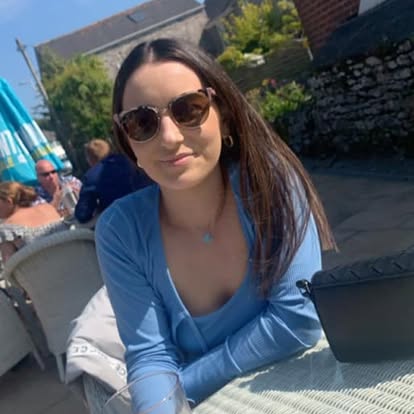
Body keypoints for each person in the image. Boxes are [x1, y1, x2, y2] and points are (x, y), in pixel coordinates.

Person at [88, 38, 336, 412]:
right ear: (127, 138)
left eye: (189, 109)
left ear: (223, 114)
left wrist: (183, 386)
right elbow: (151, 357)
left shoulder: (271, 184)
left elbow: (297, 320)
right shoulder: (120, 231)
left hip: (310, 389)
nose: (170, 138)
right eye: (142, 122)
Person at [74, 138, 152, 224]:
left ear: (89, 158)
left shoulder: (91, 177)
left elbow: (82, 214)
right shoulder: (130, 160)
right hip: (151, 209)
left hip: (124, 222)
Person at [0, 181, 68, 263]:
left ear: (9, 201)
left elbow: (9, 264)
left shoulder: (7, 227)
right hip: (71, 262)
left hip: (41, 269)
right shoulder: (48, 208)